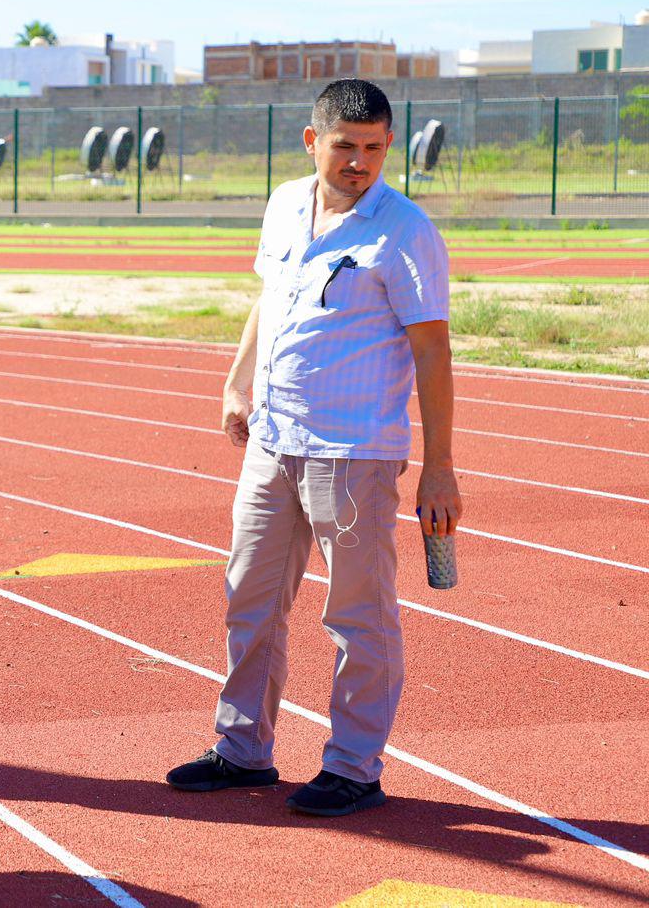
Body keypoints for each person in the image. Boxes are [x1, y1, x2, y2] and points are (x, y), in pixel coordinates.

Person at [165, 79, 462, 817]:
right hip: (272, 440)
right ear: (312, 141)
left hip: (353, 451)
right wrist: (238, 382)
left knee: (358, 615)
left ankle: (354, 767)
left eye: (374, 148)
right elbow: (270, 297)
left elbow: (433, 350)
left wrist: (441, 466)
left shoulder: (405, 231)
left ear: (389, 146)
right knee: (250, 600)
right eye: (344, 147)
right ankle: (242, 750)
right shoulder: (285, 204)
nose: (359, 162)